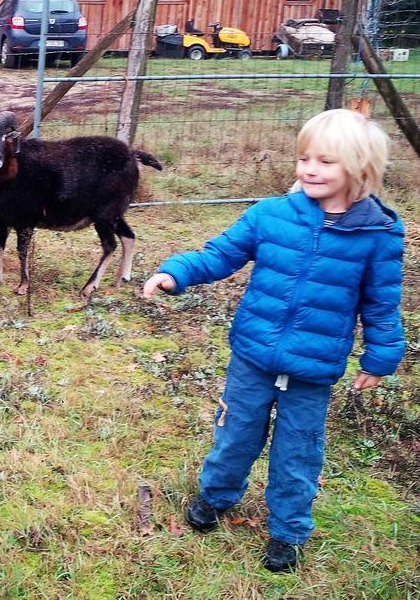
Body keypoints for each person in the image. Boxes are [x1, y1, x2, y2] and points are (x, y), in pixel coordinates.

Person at [143, 108, 405, 572]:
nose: (309, 169)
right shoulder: (270, 215)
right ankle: (216, 497)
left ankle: (287, 531)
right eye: (305, 158)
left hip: (313, 367)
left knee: (298, 450)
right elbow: (221, 254)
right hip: (253, 354)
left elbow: (381, 303)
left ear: (360, 168)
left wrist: (380, 356)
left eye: (326, 161)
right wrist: (175, 272)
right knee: (236, 433)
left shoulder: (378, 234)